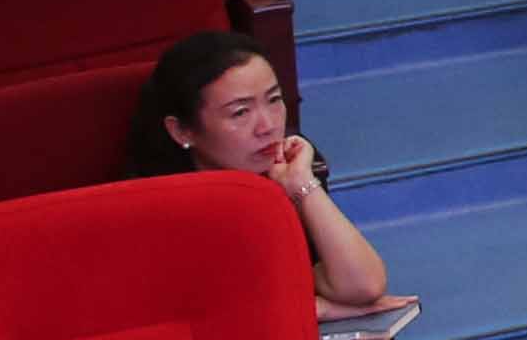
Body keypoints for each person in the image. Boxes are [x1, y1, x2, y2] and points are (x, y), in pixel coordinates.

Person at [144, 32, 391, 311]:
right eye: (240, 112)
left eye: (274, 100)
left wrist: (302, 183)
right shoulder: (161, 215)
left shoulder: (282, 180)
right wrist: (319, 309)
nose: (268, 126)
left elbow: (364, 285)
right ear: (182, 131)